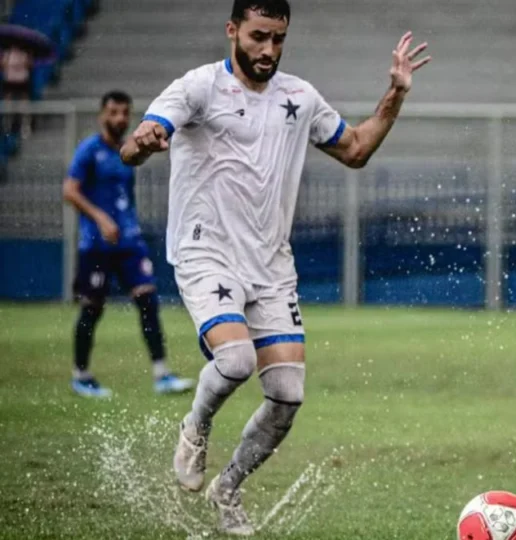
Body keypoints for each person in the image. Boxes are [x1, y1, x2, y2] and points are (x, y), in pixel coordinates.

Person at [120, 0, 430, 535]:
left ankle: (229, 489)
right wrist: (144, 143)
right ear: (233, 30)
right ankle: (195, 429)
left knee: (287, 395)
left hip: (269, 265)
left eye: (278, 39)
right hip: (205, 252)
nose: (268, 50)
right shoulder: (197, 87)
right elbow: (136, 142)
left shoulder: (299, 97)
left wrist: (396, 93)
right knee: (236, 360)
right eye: (258, 36)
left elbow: (355, 149)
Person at [62, 90, 194, 398]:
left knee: (148, 301)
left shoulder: (126, 153)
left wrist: (126, 222)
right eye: (114, 112)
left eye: (125, 112)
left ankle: (162, 374)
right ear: (102, 115)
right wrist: (100, 219)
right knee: (92, 308)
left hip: (128, 243)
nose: (120, 118)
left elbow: (125, 197)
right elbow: (70, 190)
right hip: (96, 245)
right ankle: (81, 375)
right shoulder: (89, 150)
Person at [2, 44, 33, 139]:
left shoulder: (25, 54)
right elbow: (3, 65)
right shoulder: (7, 54)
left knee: (24, 104)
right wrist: (6, 61)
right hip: (10, 81)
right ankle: (6, 126)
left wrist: (27, 59)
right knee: (8, 104)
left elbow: (29, 65)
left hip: (22, 81)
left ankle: (25, 127)